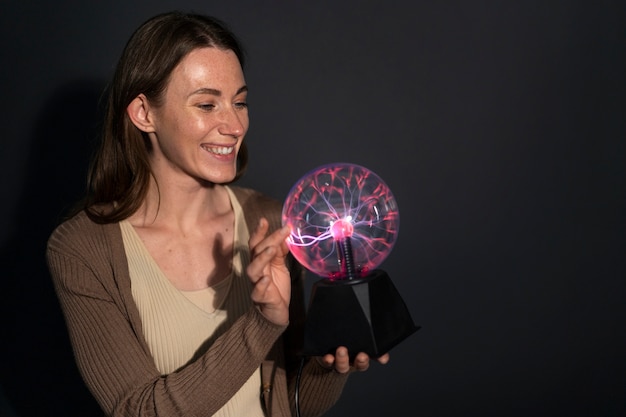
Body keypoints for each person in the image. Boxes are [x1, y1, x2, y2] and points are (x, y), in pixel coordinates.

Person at [46, 11, 389, 417]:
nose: (234, 125)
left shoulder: (271, 220)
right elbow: (136, 411)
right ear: (143, 113)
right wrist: (261, 324)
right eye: (207, 104)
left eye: (239, 102)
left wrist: (329, 365)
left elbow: (295, 405)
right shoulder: (82, 248)